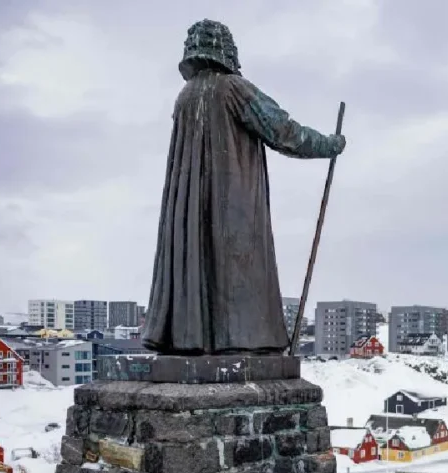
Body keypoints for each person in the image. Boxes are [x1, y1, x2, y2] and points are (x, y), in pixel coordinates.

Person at [142, 19, 346, 355]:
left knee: (200, 264)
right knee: (237, 266)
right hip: (231, 202)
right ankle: (239, 338)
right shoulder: (232, 88)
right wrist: (329, 145)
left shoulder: (185, 97)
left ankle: (193, 339)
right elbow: (283, 131)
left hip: (190, 211)